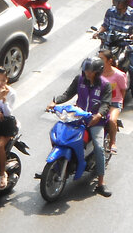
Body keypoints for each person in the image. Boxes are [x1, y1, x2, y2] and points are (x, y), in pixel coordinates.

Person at [48, 56, 113, 197]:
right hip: (78, 117)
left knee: (99, 147)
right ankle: (57, 165)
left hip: (96, 121)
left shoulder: (105, 85)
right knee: (58, 133)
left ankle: (101, 182)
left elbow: (105, 104)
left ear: (97, 72)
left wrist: (99, 115)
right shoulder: (79, 80)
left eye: (90, 71)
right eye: (86, 70)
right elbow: (67, 94)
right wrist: (55, 102)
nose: (87, 73)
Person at [99, 48, 127, 155]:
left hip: (114, 102)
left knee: (111, 120)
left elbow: (123, 90)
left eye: (102, 59)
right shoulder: (97, 73)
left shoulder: (119, 75)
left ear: (109, 60)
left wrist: (120, 103)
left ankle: (112, 142)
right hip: (101, 101)